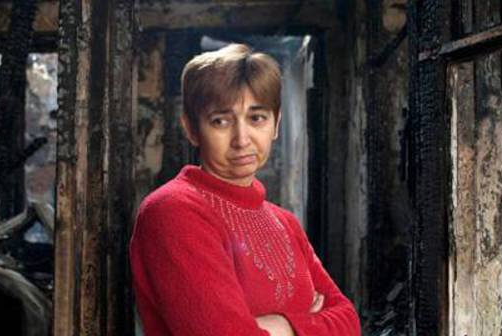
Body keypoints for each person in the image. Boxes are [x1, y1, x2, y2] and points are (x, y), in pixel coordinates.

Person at [129, 43, 361, 336]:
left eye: (257, 118)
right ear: (191, 129)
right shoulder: (172, 211)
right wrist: (309, 323)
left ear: (275, 124)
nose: (242, 139)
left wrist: (283, 326)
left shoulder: (285, 222)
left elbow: (349, 321)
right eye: (221, 121)